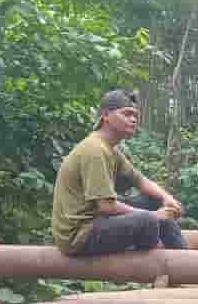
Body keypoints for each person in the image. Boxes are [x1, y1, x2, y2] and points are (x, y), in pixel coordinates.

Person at [52, 89, 188, 256]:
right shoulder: (95, 150)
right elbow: (107, 206)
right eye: (127, 114)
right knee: (148, 220)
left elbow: (140, 180)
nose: (133, 120)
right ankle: (156, 260)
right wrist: (154, 216)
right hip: (79, 236)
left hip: (97, 219)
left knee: (156, 201)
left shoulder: (110, 149)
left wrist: (168, 198)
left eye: (135, 116)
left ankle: (184, 260)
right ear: (106, 116)